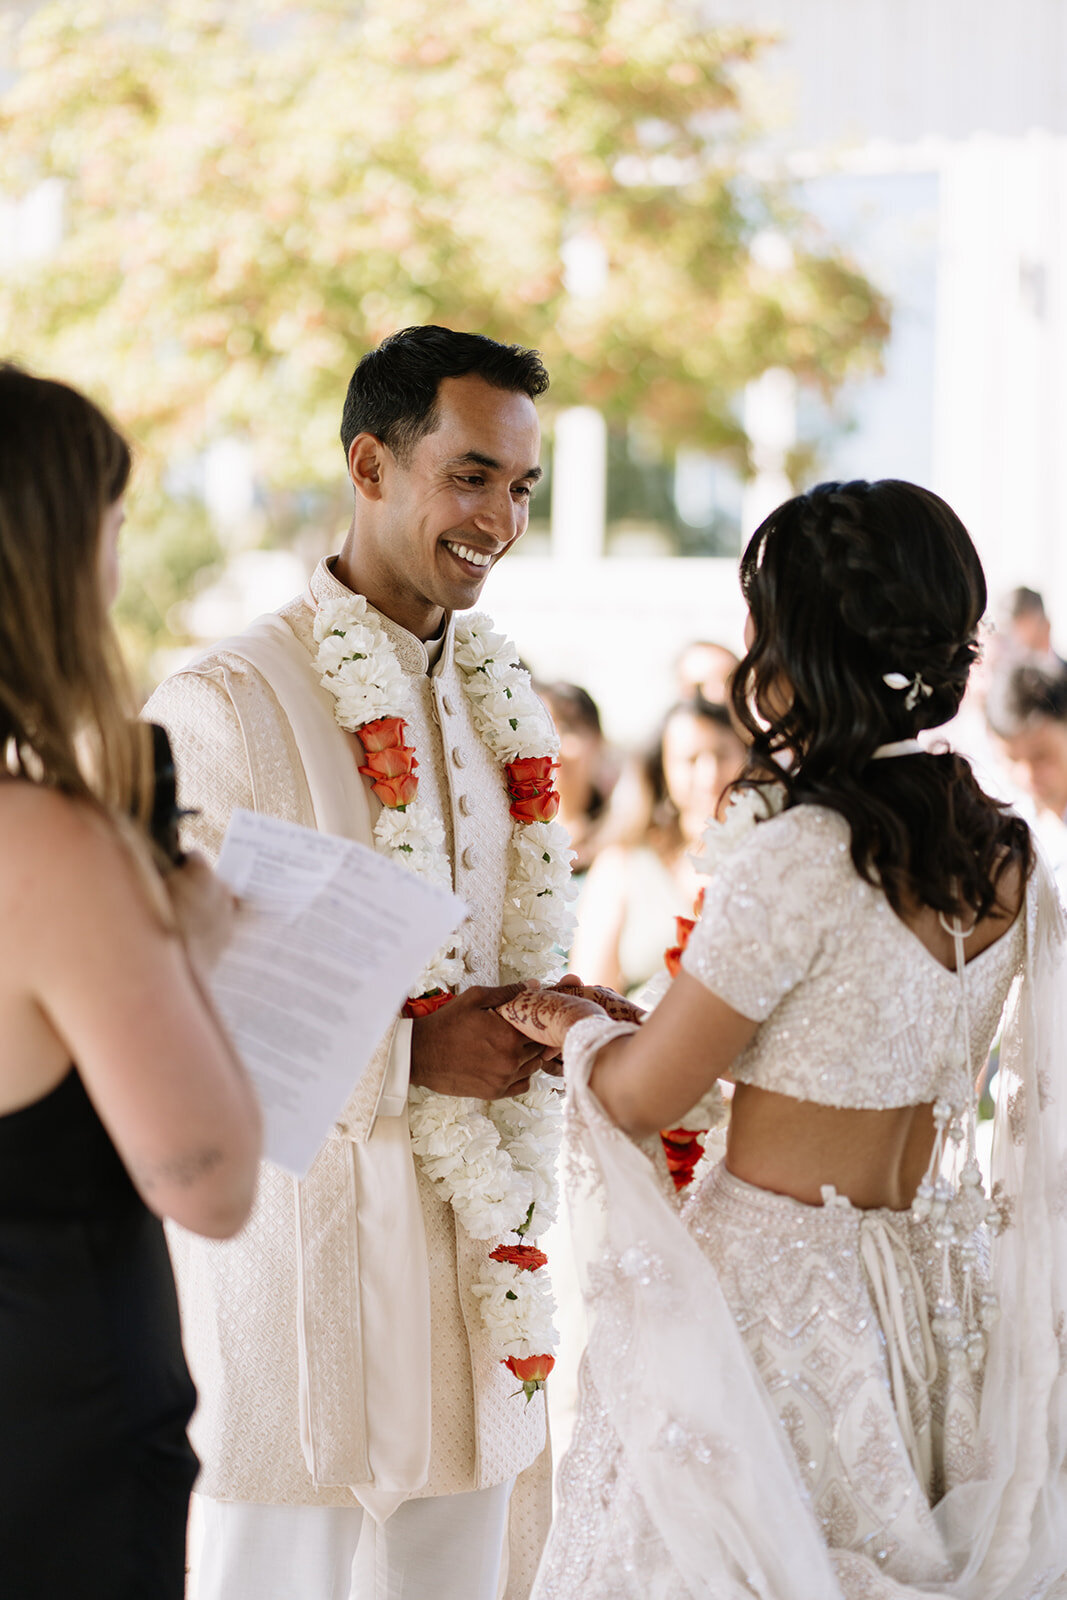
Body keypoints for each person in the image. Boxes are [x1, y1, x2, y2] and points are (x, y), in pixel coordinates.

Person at [501, 479, 1067, 1597]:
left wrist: (575, 1028)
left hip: (771, 1304)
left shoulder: (806, 850)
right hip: (927, 1298)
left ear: (796, 646)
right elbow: (841, 1053)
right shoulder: (1002, 853)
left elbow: (638, 1097)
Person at [145, 326, 569, 1600]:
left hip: (468, 1295)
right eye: (472, 474)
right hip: (300, 1302)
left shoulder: (505, 704)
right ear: (369, 464)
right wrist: (409, 1055)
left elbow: (508, 943)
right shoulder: (225, 703)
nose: (498, 516)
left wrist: (552, 1016)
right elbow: (177, 1006)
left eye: (520, 488)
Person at [0, 366, 262, 1600]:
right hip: (48, 1421)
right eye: (113, 526)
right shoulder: (47, 849)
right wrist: (189, 955)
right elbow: (207, 1184)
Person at [571, 694, 746, 993]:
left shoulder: (765, 855)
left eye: (722, 754)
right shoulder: (622, 864)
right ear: (662, 770)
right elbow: (589, 992)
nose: (709, 775)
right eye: (691, 760)